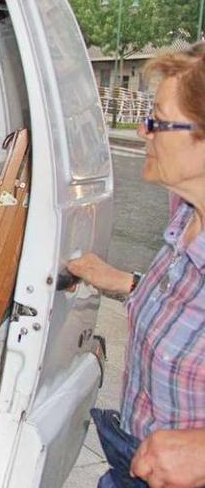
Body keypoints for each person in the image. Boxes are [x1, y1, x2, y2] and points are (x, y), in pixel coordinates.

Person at [68, 43, 205, 488]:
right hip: (134, 455)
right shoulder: (187, 218)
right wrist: (125, 282)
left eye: (160, 121)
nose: (145, 131)